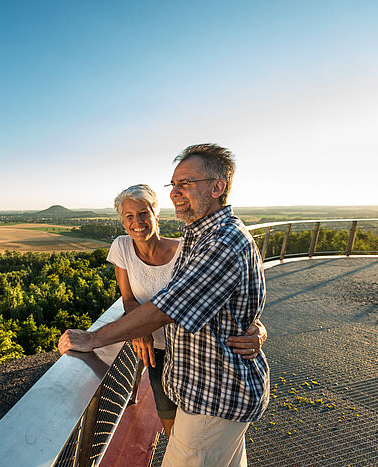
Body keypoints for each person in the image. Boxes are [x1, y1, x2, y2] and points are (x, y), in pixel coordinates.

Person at [59, 144, 269, 467]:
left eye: (186, 183)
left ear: (218, 187)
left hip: (213, 399)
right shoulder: (200, 236)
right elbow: (225, 303)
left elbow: (166, 307)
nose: (175, 193)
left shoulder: (222, 242)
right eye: (174, 185)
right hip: (201, 386)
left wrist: (93, 338)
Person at [109, 183, 267, 438]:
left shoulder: (188, 249)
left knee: (201, 434)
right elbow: (128, 298)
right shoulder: (122, 247)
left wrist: (259, 328)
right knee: (172, 429)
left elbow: (228, 297)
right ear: (123, 222)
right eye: (129, 216)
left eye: (143, 213)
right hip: (157, 353)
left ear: (156, 215)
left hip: (194, 353)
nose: (137, 221)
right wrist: (139, 330)